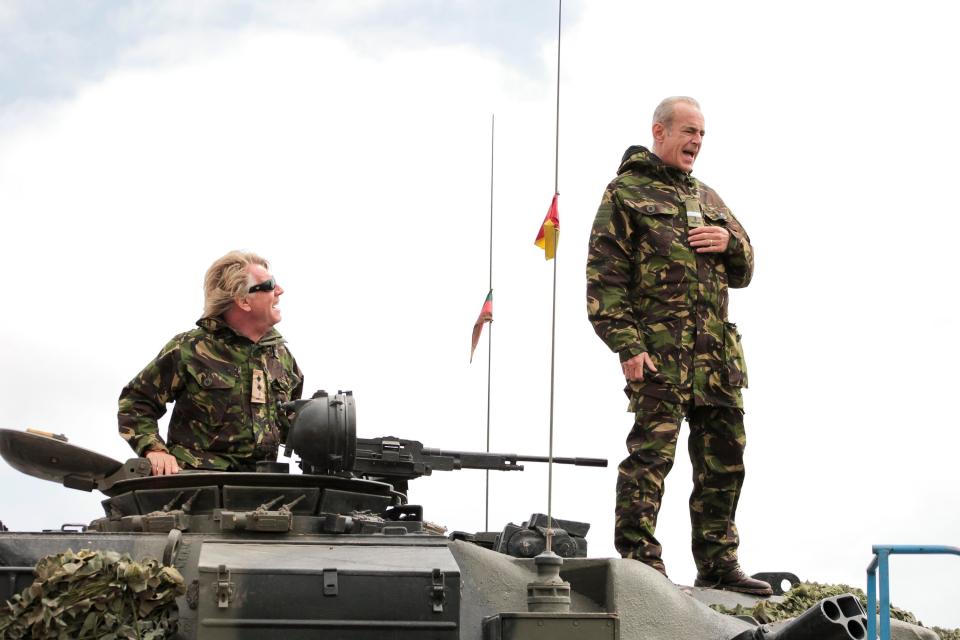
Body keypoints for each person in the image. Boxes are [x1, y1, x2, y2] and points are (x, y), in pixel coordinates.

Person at [585, 96, 771, 595]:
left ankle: (718, 563)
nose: (696, 142)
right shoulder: (625, 193)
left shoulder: (709, 197)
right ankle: (641, 562)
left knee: (724, 462)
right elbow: (605, 281)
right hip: (659, 355)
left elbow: (746, 268)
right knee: (650, 459)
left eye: (702, 135)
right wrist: (627, 345)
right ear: (659, 131)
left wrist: (730, 244)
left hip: (716, 361)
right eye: (688, 131)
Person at [119, 250, 303, 476]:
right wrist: (153, 449)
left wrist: (324, 433)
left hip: (263, 488)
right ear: (243, 300)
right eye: (269, 285)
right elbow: (136, 401)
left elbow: (292, 423)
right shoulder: (190, 348)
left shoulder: (281, 356)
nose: (279, 291)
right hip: (198, 489)